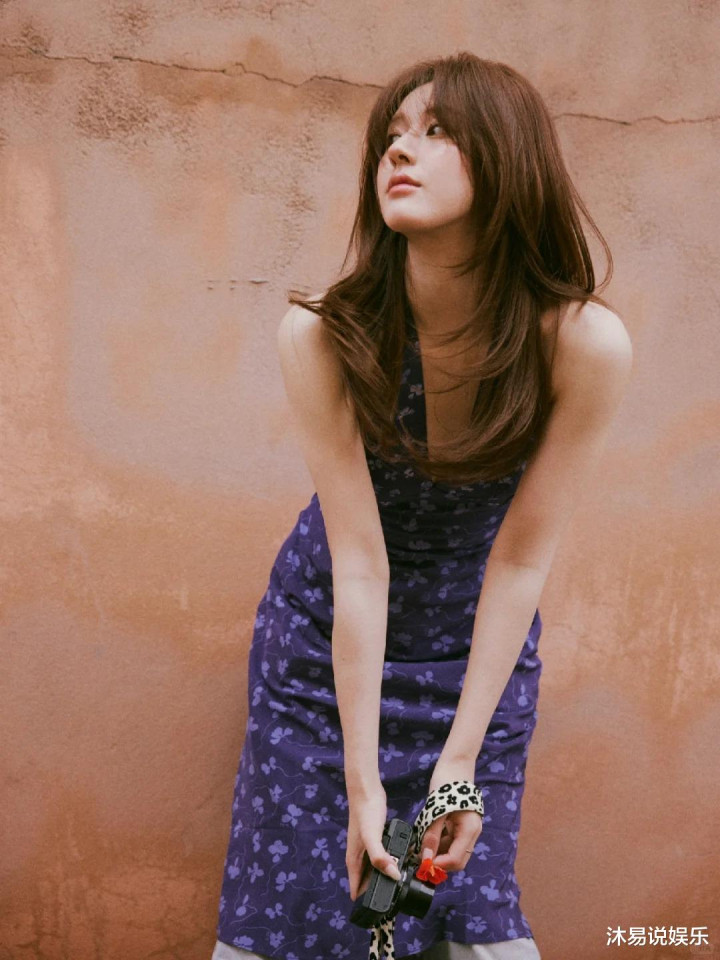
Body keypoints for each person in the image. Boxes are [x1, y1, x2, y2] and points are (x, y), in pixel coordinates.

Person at [210, 52, 633, 960]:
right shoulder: (324, 333)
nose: (400, 151)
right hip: (324, 655)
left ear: (509, 159)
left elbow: (521, 557)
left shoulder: (581, 344)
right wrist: (363, 785)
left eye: (438, 131)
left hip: (473, 660)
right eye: (392, 135)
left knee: (465, 916)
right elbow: (360, 563)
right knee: (310, 913)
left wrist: (460, 760)